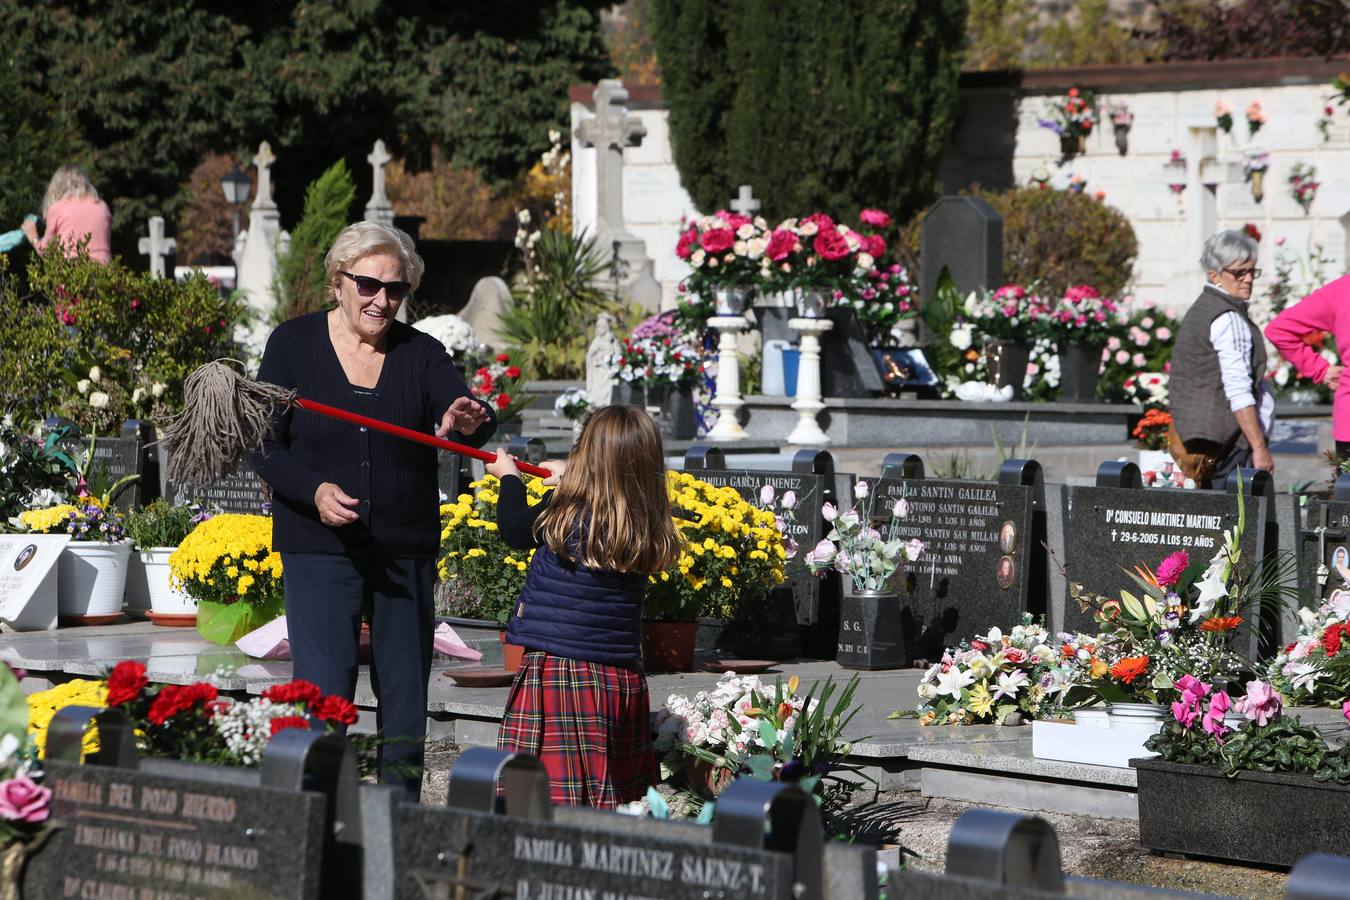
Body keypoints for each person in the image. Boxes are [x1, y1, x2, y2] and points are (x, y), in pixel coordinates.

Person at [250, 221, 494, 800]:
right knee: (322, 695)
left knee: (406, 696)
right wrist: (311, 491)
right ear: (339, 281)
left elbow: (466, 414)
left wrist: (469, 419)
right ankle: (320, 821)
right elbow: (262, 443)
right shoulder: (292, 344)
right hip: (318, 547)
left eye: (396, 290)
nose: (382, 301)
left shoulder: (423, 353)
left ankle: (399, 824)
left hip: (402, 547)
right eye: (368, 285)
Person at [488, 405, 682, 808]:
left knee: (550, 800)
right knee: (610, 798)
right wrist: (566, 481)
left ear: (586, 457)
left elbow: (514, 527)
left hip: (563, 674)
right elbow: (600, 491)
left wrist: (509, 478)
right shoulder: (645, 519)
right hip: (619, 678)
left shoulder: (566, 512)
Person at [1168, 230, 1272, 487]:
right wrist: (1259, 448)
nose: (1248, 279)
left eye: (1251, 271)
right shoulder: (1227, 317)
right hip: (1227, 446)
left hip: (1201, 439)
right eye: (1239, 273)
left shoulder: (1202, 308)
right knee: (1236, 521)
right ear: (1214, 275)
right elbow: (1238, 389)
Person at [1264, 274, 1349, 458]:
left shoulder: (1342, 290)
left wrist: (1320, 369)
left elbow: (1279, 329)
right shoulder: (1342, 290)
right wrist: (1320, 369)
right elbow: (1279, 330)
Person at [21, 165, 112, 263]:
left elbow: (47, 253)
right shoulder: (102, 206)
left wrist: (33, 237)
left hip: (72, 271)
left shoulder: (57, 208)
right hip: (105, 271)